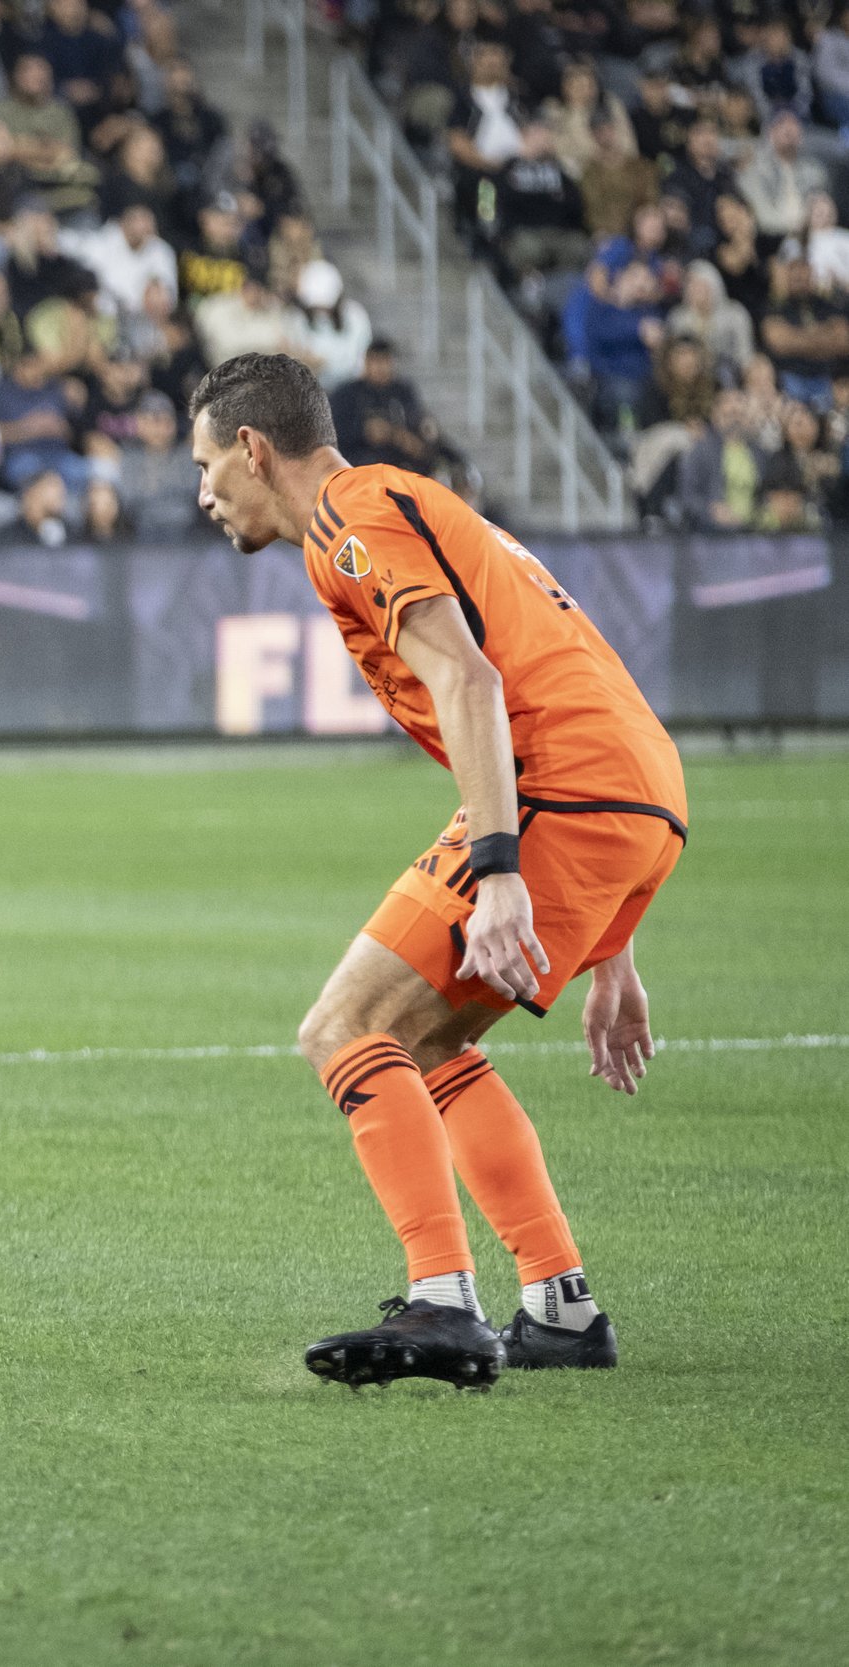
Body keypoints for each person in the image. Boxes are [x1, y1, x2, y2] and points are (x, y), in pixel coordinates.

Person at [188, 353, 686, 1389]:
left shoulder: (349, 520)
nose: (202, 493)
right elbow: (557, 660)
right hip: (628, 788)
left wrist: (501, 873)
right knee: (427, 1038)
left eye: (205, 466)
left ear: (252, 448)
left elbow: (468, 672)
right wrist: (612, 945)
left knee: (346, 1029)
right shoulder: (400, 498)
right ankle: (557, 1303)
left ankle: (442, 1304)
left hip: (560, 789)